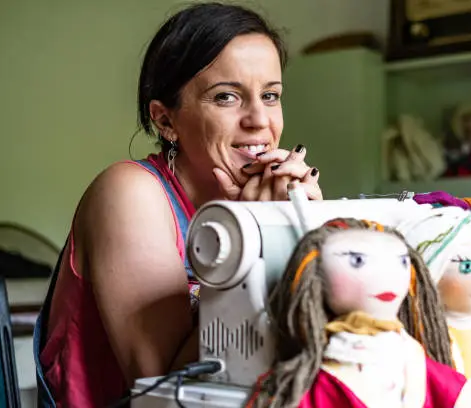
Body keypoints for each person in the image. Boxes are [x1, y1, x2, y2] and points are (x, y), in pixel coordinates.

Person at [33, 3, 323, 407]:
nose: (260, 119)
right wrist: (260, 243)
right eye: (226, 97)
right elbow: (165, 387)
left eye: (271, 95)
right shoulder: (129, 193)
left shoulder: (267, 198)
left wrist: (310, 235)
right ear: (165, 121)